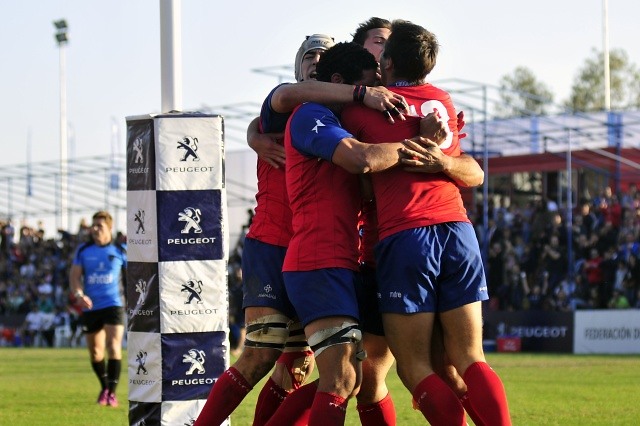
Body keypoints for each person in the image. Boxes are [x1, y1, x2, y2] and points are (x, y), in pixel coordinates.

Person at [195, 34, 406, 426]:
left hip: (326, 253)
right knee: (263, 353)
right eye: (310, 55)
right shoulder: (288, 108)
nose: (316, 61)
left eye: (323, 57)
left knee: (303, 368)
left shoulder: (338, 117)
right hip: (277, 245)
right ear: (299, 67)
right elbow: (298, 100)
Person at [341, 20, 511, 425]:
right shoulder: (441, 101)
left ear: (389, 60)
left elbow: (360, 183)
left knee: (414, 367)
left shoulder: (361, 109)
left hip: (407, 236)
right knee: (470, 358)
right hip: (457, 229)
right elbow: (468, 169)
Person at [276, 41, 451, 426]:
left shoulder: (342, 123)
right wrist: (419, 143)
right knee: (339, 378)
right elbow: (361, 160)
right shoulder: (310, 115)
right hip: (317, 261)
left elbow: (369, 183)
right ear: (341, 83)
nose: (381, 98)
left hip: (350, 262)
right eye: (373, 90)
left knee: (359, 377)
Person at [70, 211, 126, 408]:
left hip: (114, 304)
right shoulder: (83, 250)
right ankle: (104, 387)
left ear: (109, 228)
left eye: (99, 226)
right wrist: (79, 295)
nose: (94, 229)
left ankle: (111, 393)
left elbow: (131, 279)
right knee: (95, 352)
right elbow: (75, 277)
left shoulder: (120, 250)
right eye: (93, 225)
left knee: (113, 346)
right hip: (91, 306)